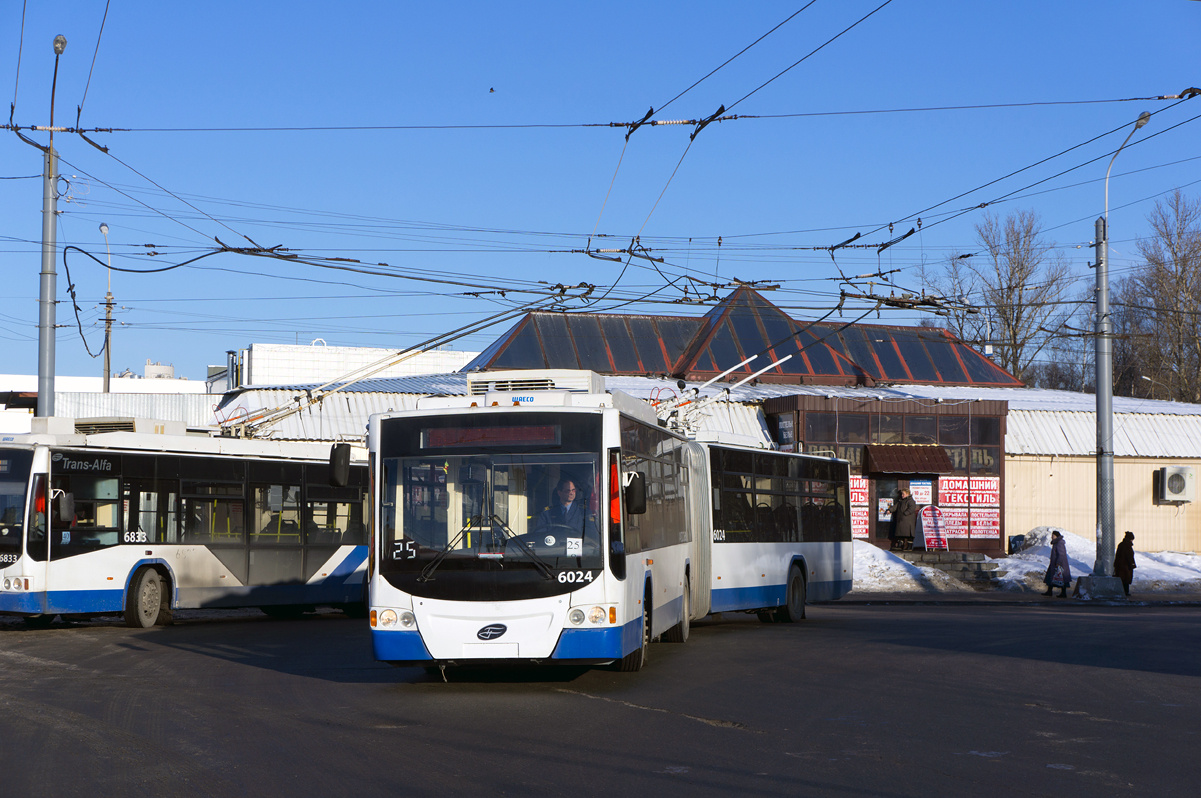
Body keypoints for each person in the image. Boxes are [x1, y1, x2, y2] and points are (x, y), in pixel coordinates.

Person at [1043, 529, 1072, 597]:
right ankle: (1049, 591)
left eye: (1053, 535)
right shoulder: (1056, 543)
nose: (1051, 537)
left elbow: (1061, 554)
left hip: (1059, 564)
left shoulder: (1059, 543)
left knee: (1061, 578)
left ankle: (1063, 593)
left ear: (1056, 536)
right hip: (1054, 563)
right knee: (1051, 577)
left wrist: (1058, 563)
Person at [1114, 530, 1137, 597]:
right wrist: (1132, 564)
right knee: (1126, 580)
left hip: (1120, 566)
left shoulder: (1121, 544)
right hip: (1126, 566)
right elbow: (1129, 556)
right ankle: (1125, 592)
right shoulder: (1127, 546)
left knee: (1122, 579)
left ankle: (1123, 592)